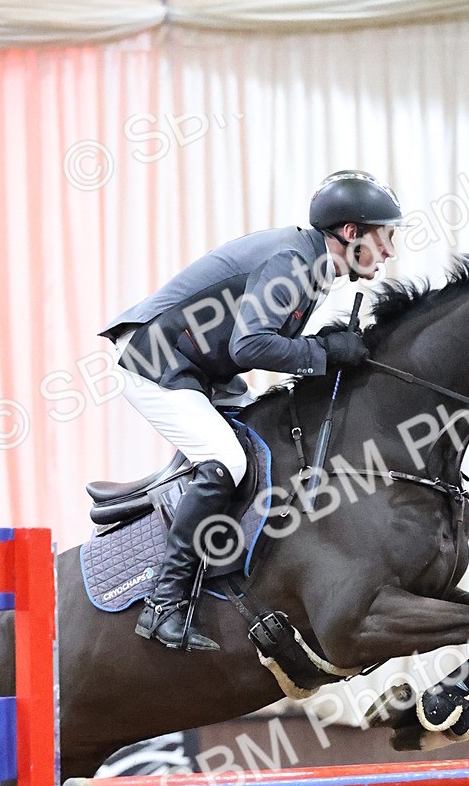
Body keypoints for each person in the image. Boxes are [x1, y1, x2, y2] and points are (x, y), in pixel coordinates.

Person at [100, 170, 403, 651]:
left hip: (200, 367)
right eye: (385, 237)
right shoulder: (292, 262)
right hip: (154, 359)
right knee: (228, 461)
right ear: (351, 233)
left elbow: (263, 340)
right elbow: (250, 345)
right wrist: (323, 354)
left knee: (269, 435)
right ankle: (165, 602)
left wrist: (320, 345)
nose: (389, 252)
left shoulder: (313, 265)